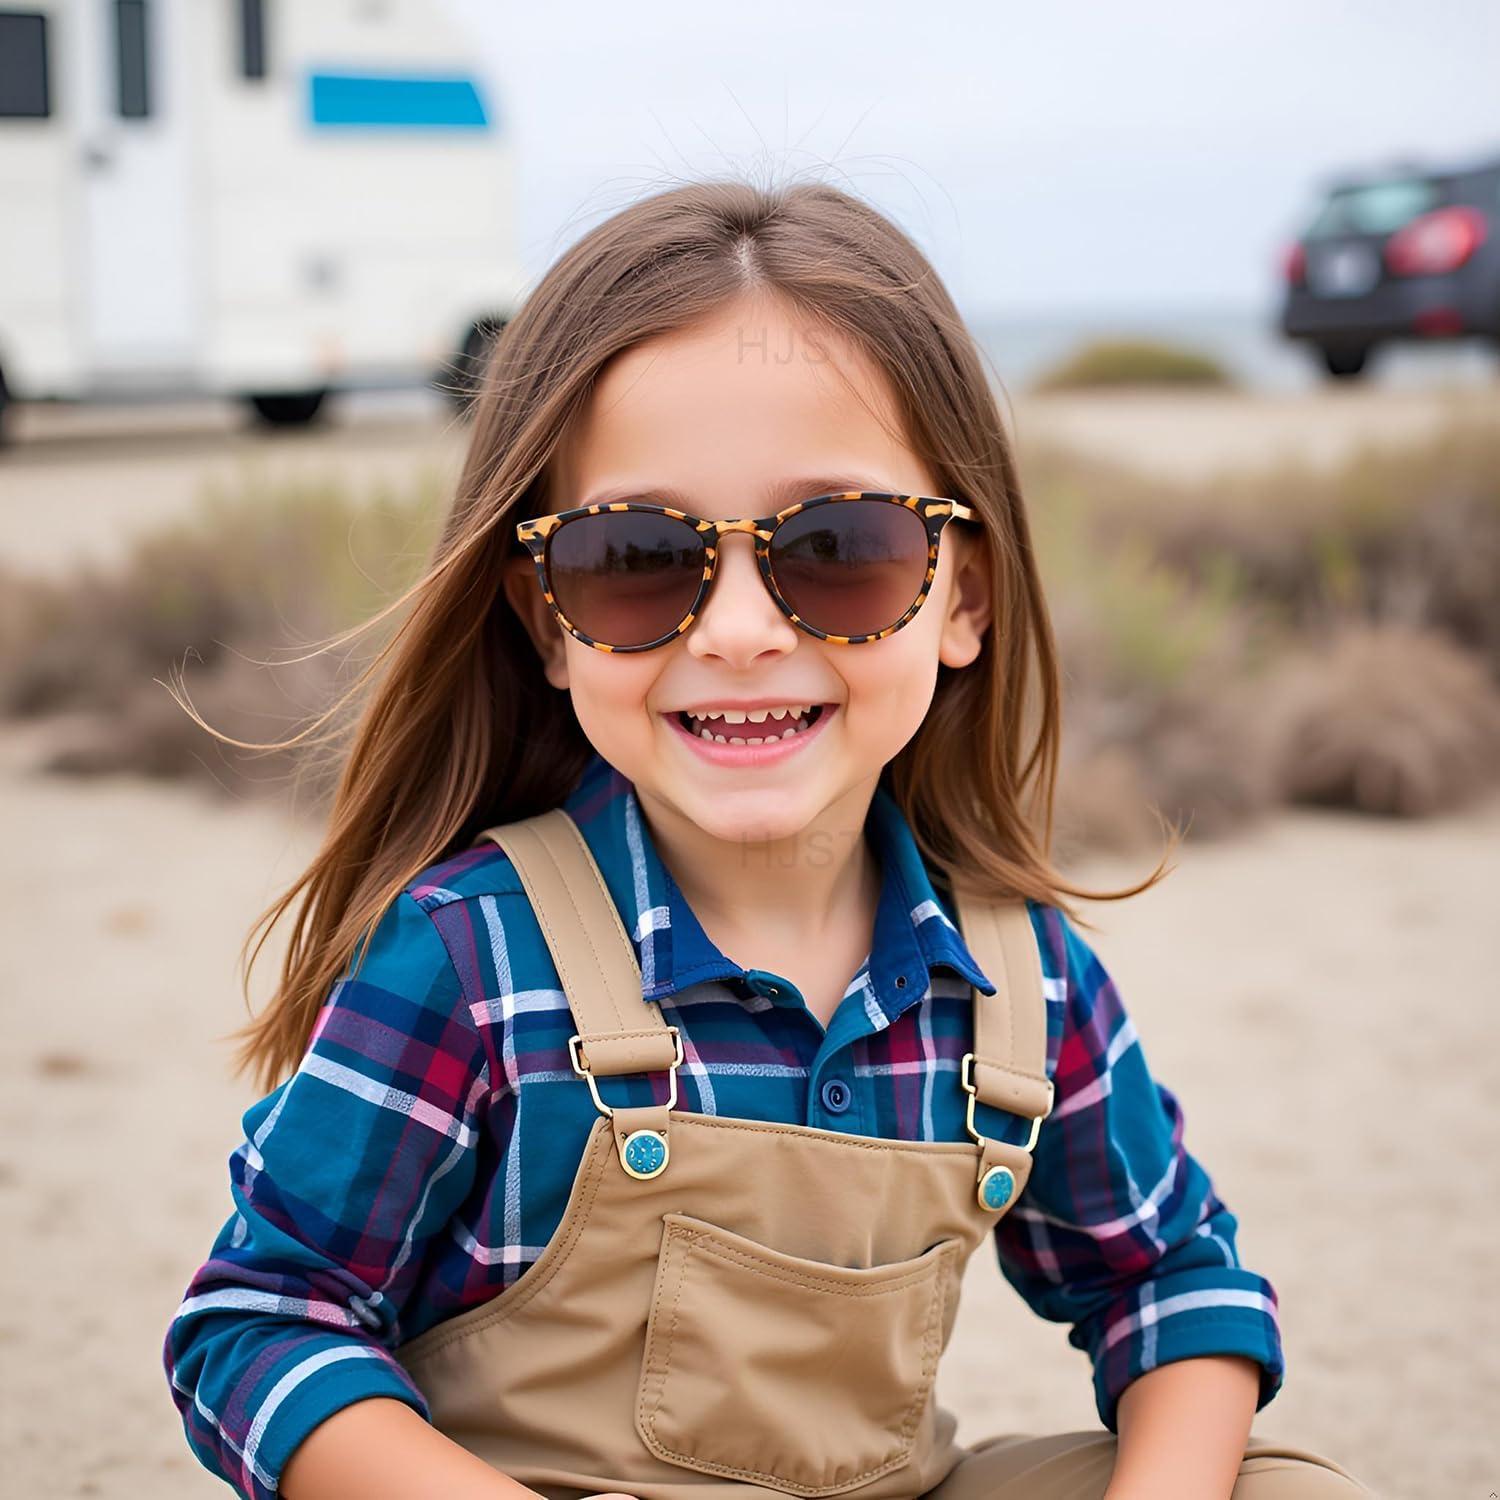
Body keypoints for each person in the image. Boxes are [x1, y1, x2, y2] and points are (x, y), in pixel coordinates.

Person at [162, 177, 1376, 1500]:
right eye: (633, 556)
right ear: (546, 620)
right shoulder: (471, 957)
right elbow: (262, 1327)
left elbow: (1171, 1280)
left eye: (838, 547)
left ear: (962, 596)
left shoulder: (1021, 986)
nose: (739, 630)